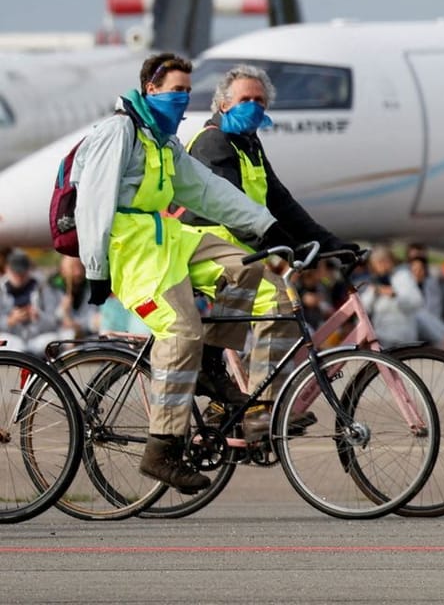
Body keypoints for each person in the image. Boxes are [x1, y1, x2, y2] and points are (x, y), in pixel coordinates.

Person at [71, 52, 301, 493]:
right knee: (181, 334)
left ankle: (211, 366)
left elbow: (208, 190)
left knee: (248, 268)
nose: (183, 99)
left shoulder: (162, 140)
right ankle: (162, 450)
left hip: (167, 239)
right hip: (130, 250)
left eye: (187, 91)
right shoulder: (118, 132)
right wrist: (96, 269)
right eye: (175, 90)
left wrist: (266, 227)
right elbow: (94, 202)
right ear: (150, 89)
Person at [183, 63, 343, 425]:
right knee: (276, 300)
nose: (253, 106)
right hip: (203, 248)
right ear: (223, 104)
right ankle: (261, 408)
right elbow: (233, 207)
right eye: (244, 99)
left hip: (241, 252)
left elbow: (280, 202)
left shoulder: (248, 143)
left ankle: (227, 405)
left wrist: (328, 242)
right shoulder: (212, 142)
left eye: (259, 100)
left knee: (277, 296)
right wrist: (284, 245)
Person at [356, 245, 425, 346]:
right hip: (381, 336)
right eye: (378, 263)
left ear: (390, 261)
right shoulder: (374, 281)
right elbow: (363, 308)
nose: (382, 266)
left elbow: (417, 301)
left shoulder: (403, 276)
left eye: (384, 261)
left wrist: (394, 295)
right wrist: (374, 292)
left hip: (402, 337)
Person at [2, 250, 61, 354]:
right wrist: (10, 320)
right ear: (7, 269)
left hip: (37, 339)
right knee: (13, 345)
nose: (19, 276)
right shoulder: (1, 289)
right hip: (11, 338)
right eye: (15, 272)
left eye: (22, 273)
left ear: (29, 270)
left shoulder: (42, 288)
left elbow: (54, 321)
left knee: (54, 341)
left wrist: (38, 316)